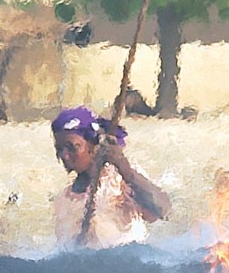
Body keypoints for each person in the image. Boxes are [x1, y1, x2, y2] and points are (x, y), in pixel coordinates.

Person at [50, 106, 170, 249]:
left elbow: (163, 211)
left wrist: (123, 167)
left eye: (72, 147)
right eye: (60, 149)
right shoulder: (64, 198)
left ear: (92, 146)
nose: (64, 156)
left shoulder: (120, 180)